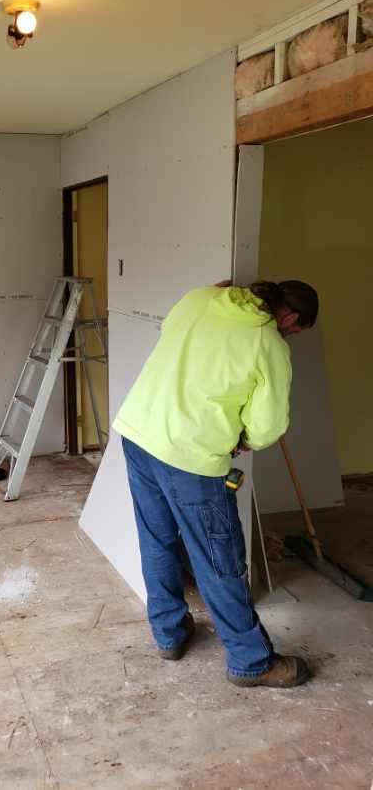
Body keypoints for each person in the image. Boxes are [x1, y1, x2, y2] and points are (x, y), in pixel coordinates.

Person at [114, 280, 319, 688]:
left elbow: (177, 338)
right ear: (290, 317)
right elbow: (267, 427)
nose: (290, 336)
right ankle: (251, 661)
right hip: (190, 457)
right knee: (219, 558)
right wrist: (243, 439)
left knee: (156, 539)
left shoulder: (200, 299)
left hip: (139, 434)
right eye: (295, 330)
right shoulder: (268, 344)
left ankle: (169, 635)